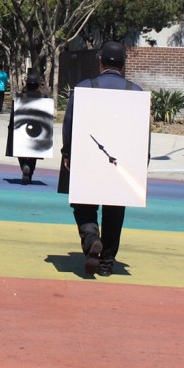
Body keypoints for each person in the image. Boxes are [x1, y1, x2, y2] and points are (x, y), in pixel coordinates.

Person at [57, 41, 144, 277]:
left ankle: (91, 238)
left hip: (88, 157)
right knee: (115, 209)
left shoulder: (85, 88)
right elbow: (142, 131)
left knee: (83, 202)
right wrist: (141, 160)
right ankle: (106, 263)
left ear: (101, 62)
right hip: (121, 161)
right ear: (124, 65)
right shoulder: (135, 92)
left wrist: (68, 154)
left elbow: (70, 124)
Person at [6, 71, 53, 184]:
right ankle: (30, 171)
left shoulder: (20, 97)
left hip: (21, 126)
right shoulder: (44, 97)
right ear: (37, 85)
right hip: (37, 128)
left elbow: (13, 114)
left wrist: (11, 127)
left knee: (19, 148)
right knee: (33, 151)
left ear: (26, 84)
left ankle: (24, 166)